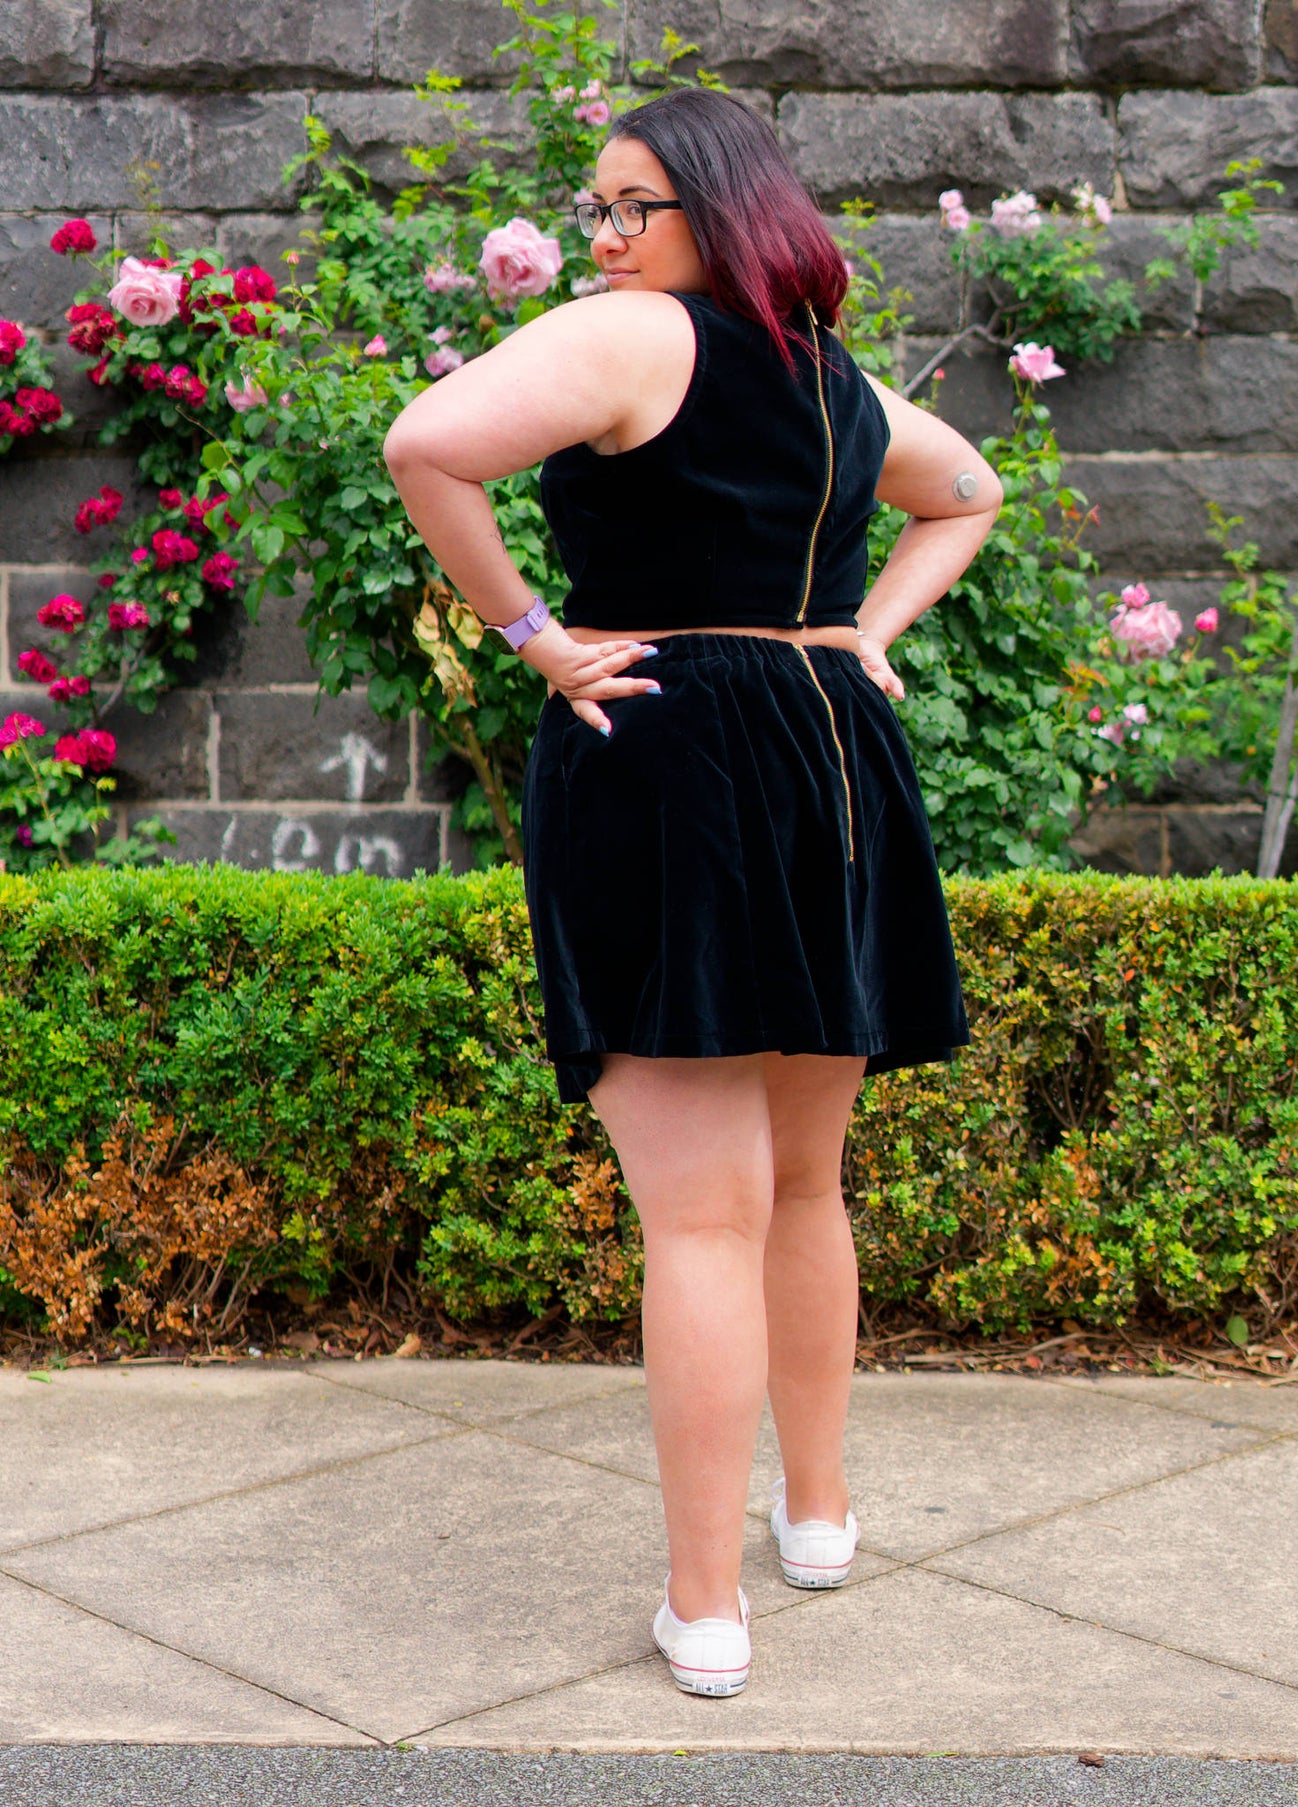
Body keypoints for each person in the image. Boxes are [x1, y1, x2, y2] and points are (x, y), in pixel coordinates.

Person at [384, 86, 1002, 1698]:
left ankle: (706, 1607)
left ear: (711, 211)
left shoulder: (628, 339)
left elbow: (425, 444)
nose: (598, 235)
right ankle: (817, 1519)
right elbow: (968, 492)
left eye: (627, 205)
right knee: (803, 1186)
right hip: (832, 759)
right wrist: (865, 634)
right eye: (593, 207)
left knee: (703, 1217)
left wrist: (529, 635)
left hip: (669, 749)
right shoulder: (838, 381)